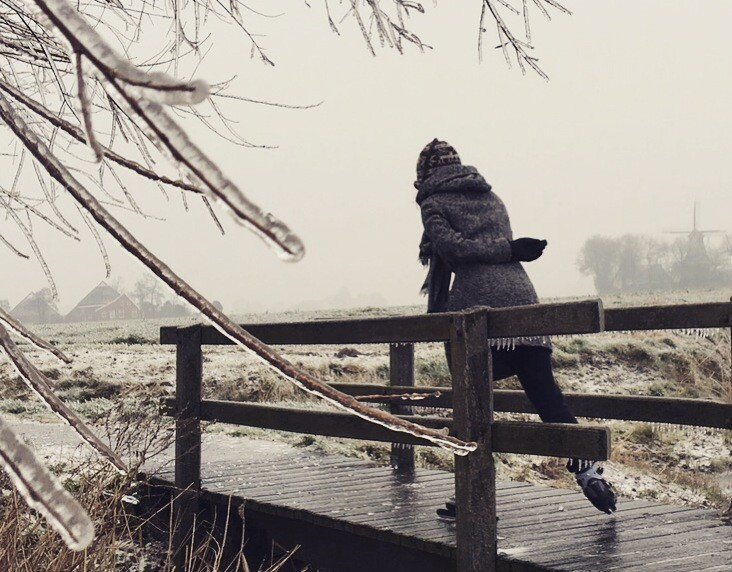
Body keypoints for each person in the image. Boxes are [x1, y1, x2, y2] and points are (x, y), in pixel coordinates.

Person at [414, 139, 617, 519]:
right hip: (524, 304)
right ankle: (588, 472)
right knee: (546, 395)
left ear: (424, 175)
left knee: (471, 403)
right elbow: (496, 246)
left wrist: (506, 250)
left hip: (481, 311)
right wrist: (509, 250)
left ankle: (473, 495)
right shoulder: (490, 196)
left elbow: (454, 250)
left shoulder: (432, 203)